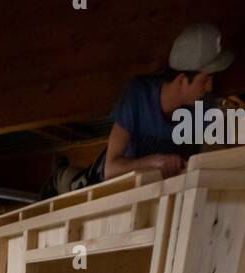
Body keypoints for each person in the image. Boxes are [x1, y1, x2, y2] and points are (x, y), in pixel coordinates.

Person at [49, 22, 234, 193]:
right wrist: (156, 162)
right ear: (182, 80)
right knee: (68, 183)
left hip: (152, 189)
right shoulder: (138, 95)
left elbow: (215, 158)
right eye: (205, 80)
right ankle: (60, 174)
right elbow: (111, 169)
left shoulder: (206, 105)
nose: (210, 87)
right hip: (102, 182)